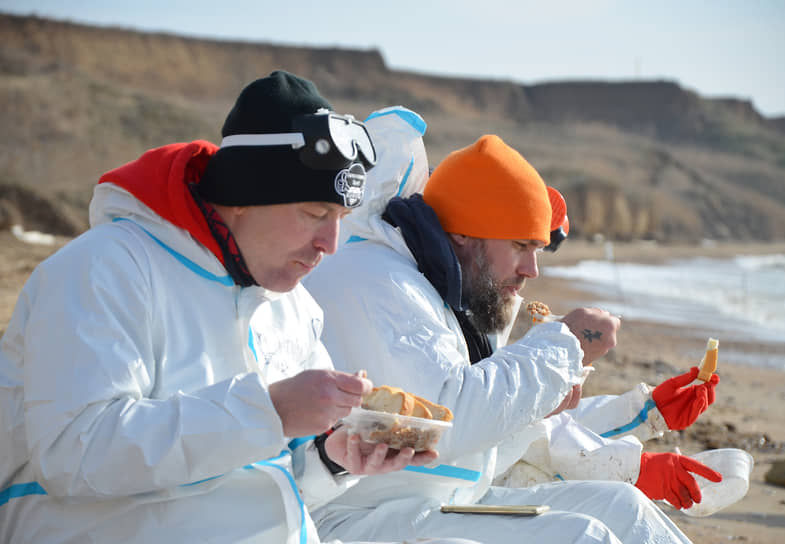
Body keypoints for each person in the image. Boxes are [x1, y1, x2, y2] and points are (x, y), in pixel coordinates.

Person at [0, 72, 480, 544]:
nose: (330, 243)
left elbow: (270, 483)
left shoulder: (292, 306)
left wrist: (336, 457)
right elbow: (74, 455)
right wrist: (268, 411)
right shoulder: (106, 269)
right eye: (314, 214)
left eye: (339, 218)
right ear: (245, 196)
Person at [303, 106, 721, 544]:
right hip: (361, 518)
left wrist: (548, 406)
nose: (532, 269)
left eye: (538, 247)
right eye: (521, 245)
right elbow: (449, 419)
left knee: (623, 508)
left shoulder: (436, 286)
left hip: (436, 501)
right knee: (583, 538)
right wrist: (564, 345)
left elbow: (478, 446)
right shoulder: (379, 279)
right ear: (463, 232)